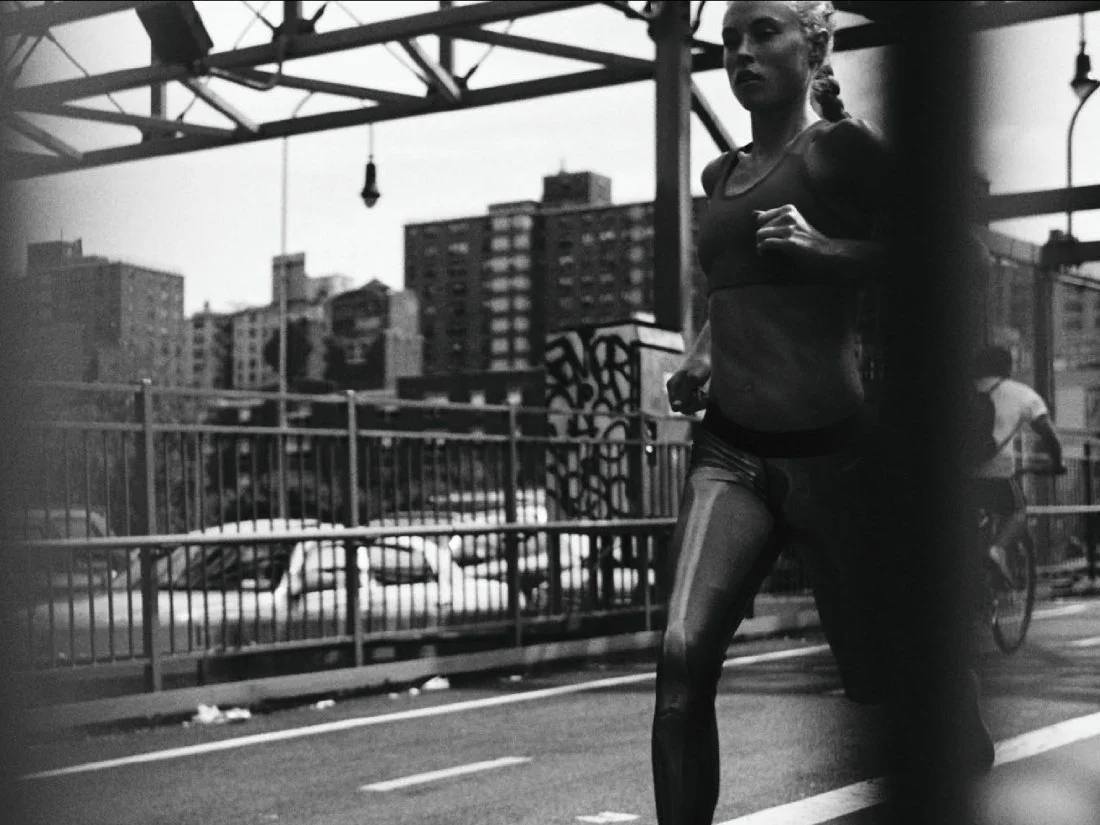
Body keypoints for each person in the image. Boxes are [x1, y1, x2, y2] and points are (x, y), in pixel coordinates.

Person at [653, 3, 994, 823]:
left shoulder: (841, 151)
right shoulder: (719, 177)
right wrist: (703, 352)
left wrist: (827, 252)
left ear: (813, 47)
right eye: (728, 41)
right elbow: (733, 295)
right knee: (680, 659)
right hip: (730, 454)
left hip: (836, 458)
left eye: (762, 33)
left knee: (887, 681)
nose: (739, 52)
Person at [968, 344, 1066, 580]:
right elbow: (1049, 434)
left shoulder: (961, 391)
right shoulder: (1021, 394)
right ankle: (997, 549)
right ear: (1008, 367)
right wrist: (1057, 463)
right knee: (1018, 512)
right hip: (995, 476)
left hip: (956, 472)